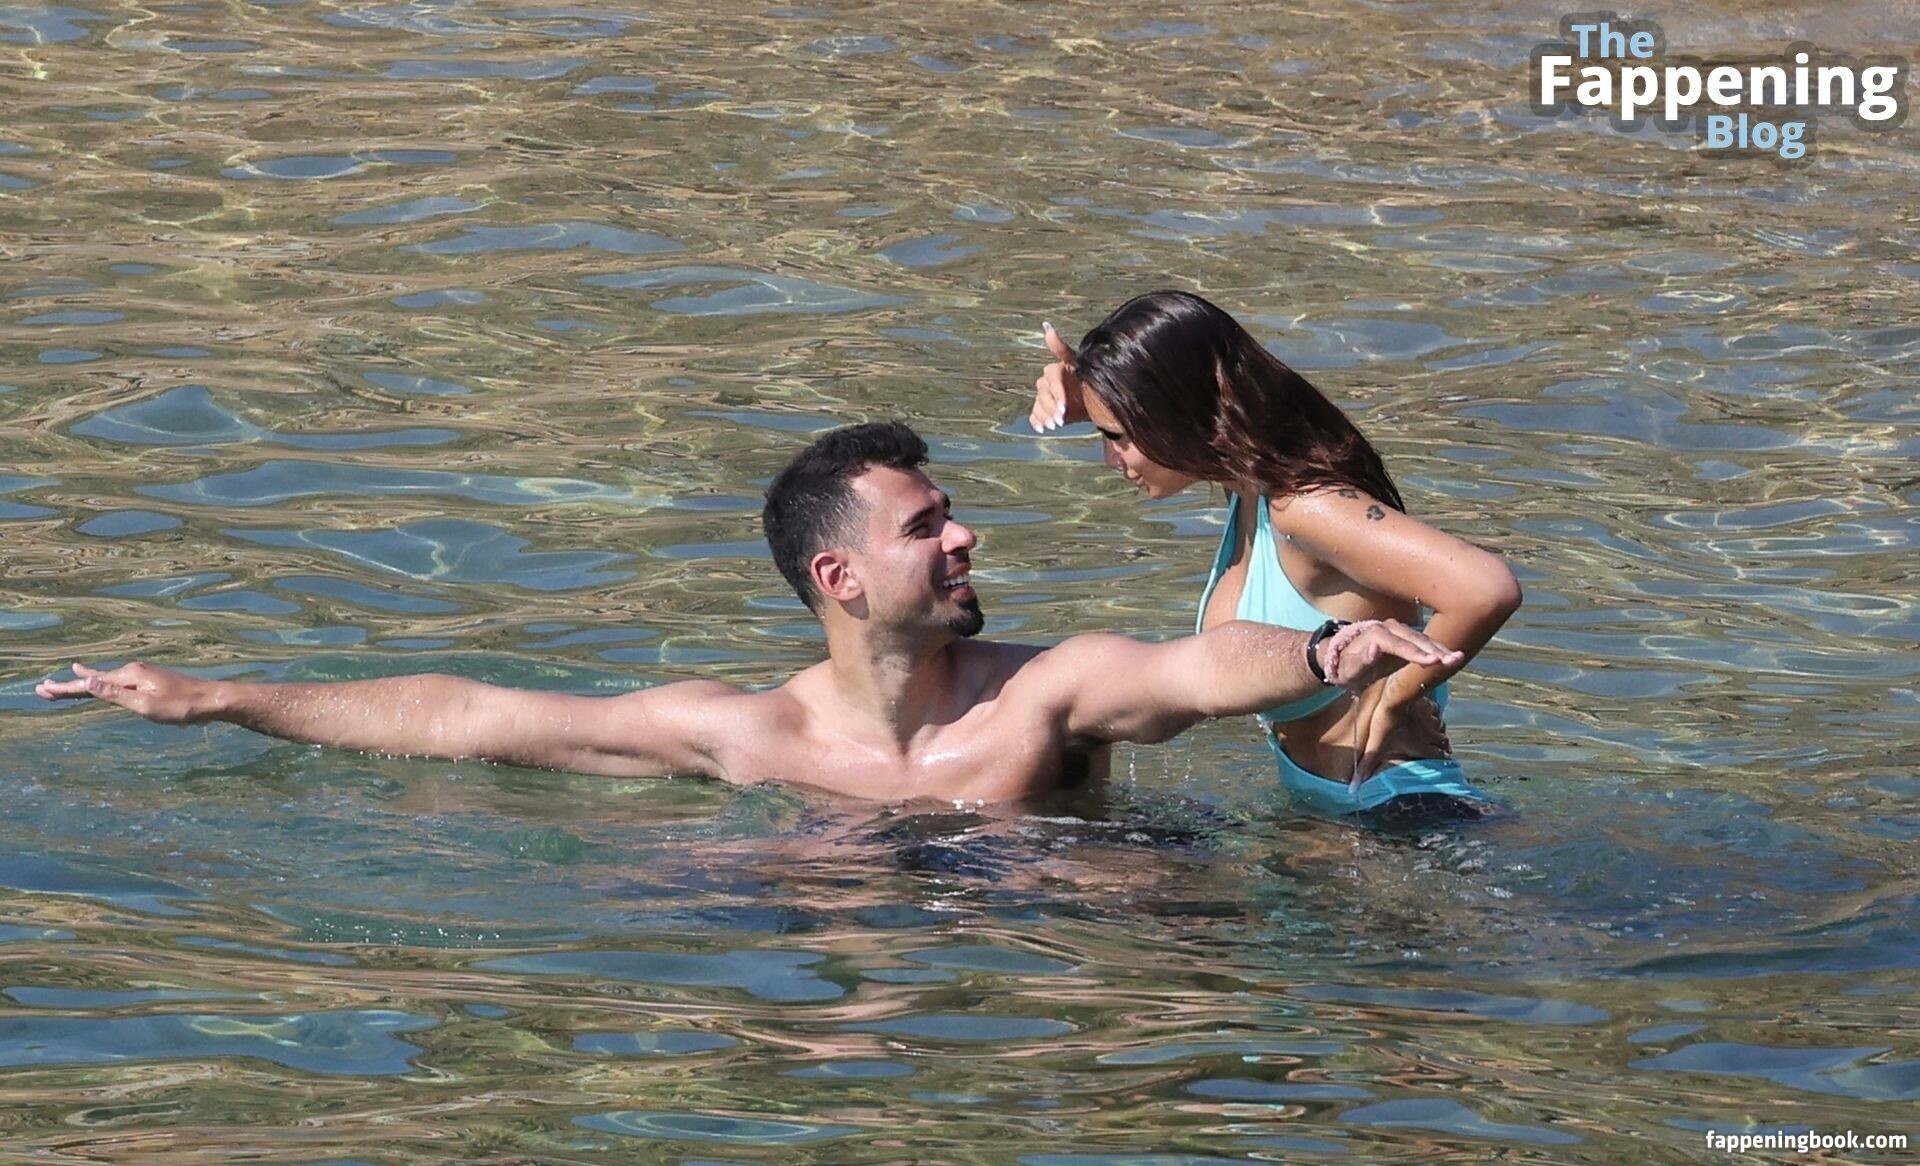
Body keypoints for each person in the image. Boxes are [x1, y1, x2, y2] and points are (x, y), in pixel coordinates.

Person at [36, 422, 1463, 805]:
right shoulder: (740, 736)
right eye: (927, 525)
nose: (965, 532)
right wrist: (224, 696)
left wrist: (1322, 649)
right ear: (838, 579)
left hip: (1074, 942)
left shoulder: (1047, 693)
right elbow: (470, 715)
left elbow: (1200, 668)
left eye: (953, 513)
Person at [1028, 291, 1522, 815]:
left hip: (1398, 814)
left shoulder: (1304, 508)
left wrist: (1395, 697)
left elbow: (1485, 588)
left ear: (1172, 413)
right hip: (1338, 812)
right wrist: (1095, 396)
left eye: (1117, 436)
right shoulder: (1249, 492)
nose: (1110, 458)